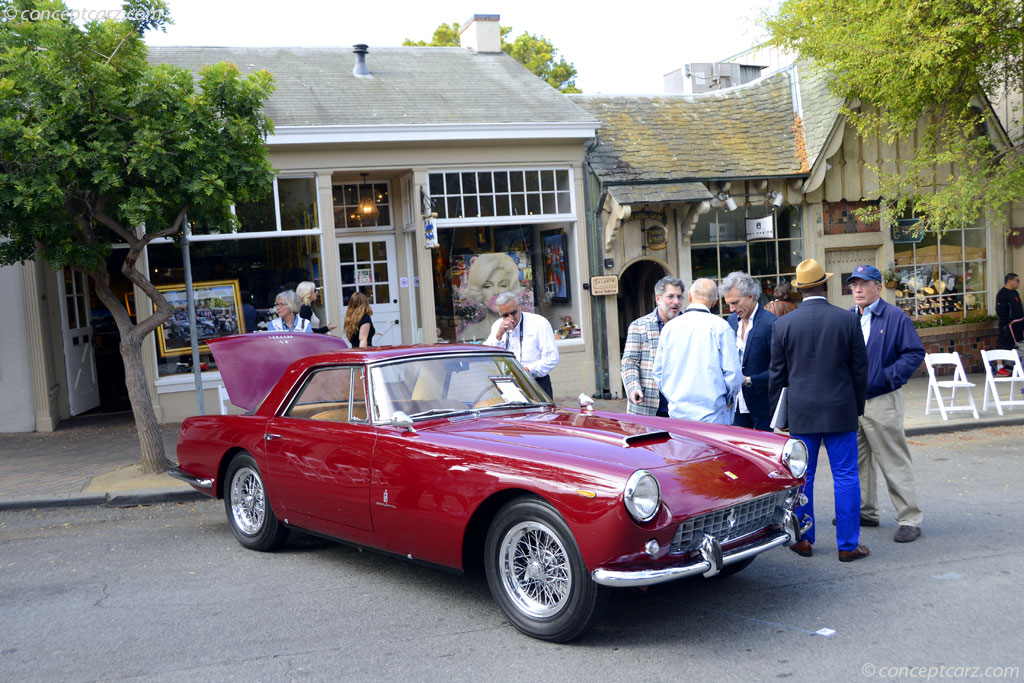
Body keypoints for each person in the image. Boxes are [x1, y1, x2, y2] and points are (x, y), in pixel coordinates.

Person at [769, 258, 869, 562]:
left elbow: (777, 375)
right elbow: (860, 370)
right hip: (840, 408)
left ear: (800, 290)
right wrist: (857, 408)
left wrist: (780, 416)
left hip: (802, 411)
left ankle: (804, 539)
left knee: (803, 478)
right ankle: (848, 545)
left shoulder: (783, 324)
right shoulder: (848, 320)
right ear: (825, 286)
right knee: (847, 475)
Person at [846, 265, 925, 543]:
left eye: (864, 284)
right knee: (858, 461)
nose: (857, 289)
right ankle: (866, 511)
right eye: (854, 284)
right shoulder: (848, 318)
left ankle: (910, 518)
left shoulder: (895, 317)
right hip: (853, 401)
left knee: (893, 460)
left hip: (882, 399)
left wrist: (887, 377)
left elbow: (914, 352)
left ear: (878, 287)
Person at [652, 278, 743, 424]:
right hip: (713, 415)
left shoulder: (669, 328)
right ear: (714, 302)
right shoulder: (721, 327)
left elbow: (658, 372)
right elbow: (733, 375)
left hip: (678, 414)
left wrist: (673, 395)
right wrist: (726, 398)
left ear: (689, 296)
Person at [621, 275, 685, 416]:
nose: (676, 302)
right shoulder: (639, 326)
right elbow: (629, 363)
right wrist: (633, 388)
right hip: (648, 408)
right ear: (658, 298)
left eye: (679, 297)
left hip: (681, 409)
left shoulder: (688, 326)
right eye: (671, 296)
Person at [722, 271, 778, 431]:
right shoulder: (731, 321)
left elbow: (779, 368)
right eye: (728, 304)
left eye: (735, 303)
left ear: (751, 296)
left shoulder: (771, 323)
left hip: (763, 406)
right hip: (735, 405)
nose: (731, 309)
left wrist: (749, 380)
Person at [485, 291, 559, 398]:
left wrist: (528, 370)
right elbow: (487, 356)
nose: (510, 318)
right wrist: (498, 335)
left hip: (536, 383)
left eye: (513, 312)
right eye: (505, 315)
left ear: (519, 306)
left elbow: (552, 358)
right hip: (509, 386)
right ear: (499, 314)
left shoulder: (539, 323)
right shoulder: (497, 325)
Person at [461, 253, 523, 341]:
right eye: (488, 286)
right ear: (479, 290)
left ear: (511, 287)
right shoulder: (470, 333)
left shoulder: (529, 327)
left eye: (503, 285)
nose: (496, 292)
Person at [995, 273, 1023, 376]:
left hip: (1018, 324)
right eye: (1017, 280)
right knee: (1003, 344)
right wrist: (1008, 320)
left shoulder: (1015, 293)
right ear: (1010, 281)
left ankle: (1014, 365)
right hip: (1008, 325)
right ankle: (1000, 367)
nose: (1018, 283)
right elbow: (1000, 310)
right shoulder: (1002, 294)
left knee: (1017, 345)